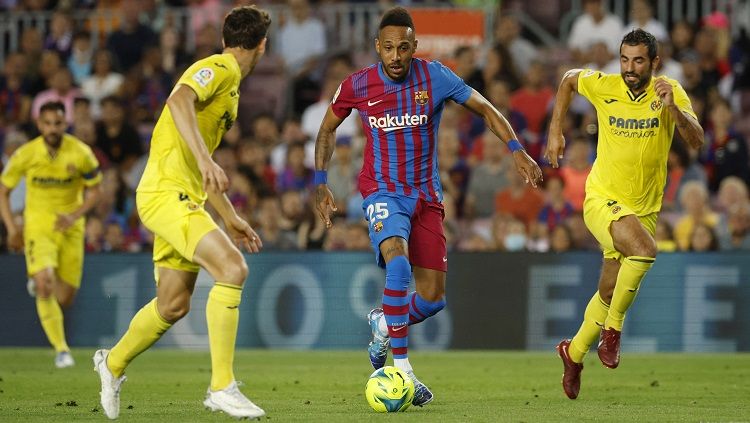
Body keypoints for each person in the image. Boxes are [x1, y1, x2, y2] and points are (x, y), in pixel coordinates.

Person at [314, 7, 542, 407]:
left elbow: (487, 108)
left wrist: (517, 150)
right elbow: (327, 129)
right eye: (388, 48)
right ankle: (402, 372)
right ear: (377, 48)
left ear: (414, 46)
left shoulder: (435, 76)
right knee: (398, 265)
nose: (396, 56)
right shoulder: (357, 85)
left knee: (434, 299)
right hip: (382, 192)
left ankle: (384, 321)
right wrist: (320, 183)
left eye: (404, 47)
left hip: (426, 196)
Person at [93, 6, 270, 420]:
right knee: (232, 269)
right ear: (262, 45)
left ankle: (112, 363)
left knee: (173, 305)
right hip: (165, 193)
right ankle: (222, 387)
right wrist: (208, 163)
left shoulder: (232, 90)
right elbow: (178, 99)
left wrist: (228, 215)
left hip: (182, 195)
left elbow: (199, 158)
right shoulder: (220, 68)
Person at [545, 29, 704, 400]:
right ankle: (613, 330)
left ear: (654, 63)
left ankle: (573, 352)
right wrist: (555, 130)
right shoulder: (605, 85)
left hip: (644, 208)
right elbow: (568, 80)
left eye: (638, 61)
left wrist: (675, 110)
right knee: (645, 250)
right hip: (602, 197)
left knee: (608, 288)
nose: (630, 68)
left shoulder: (669, 91)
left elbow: (696, 141)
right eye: (624, 59)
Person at [0, 101, 102, 368]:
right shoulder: (25, 154)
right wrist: (12, 228)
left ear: (65, 123)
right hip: (38, 226)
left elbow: (95, 191)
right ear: (39, 124)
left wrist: (75, 215)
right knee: (46, 284)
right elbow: (3, 190)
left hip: (71, 227)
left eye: (58, 123)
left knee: (64, 298)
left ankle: (38, 277)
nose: (53, 128)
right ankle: (61, 350)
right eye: (47, 123)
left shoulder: (81, 153)